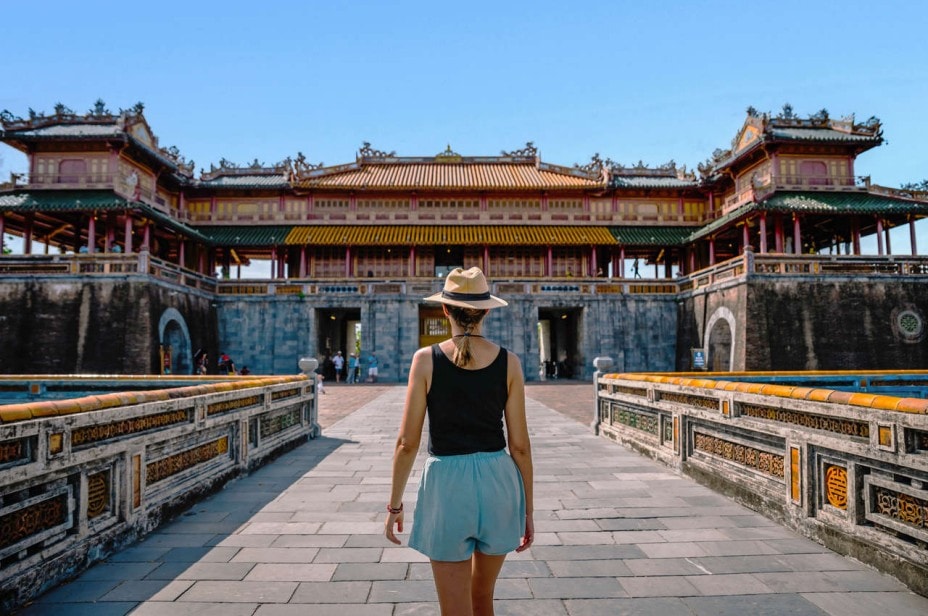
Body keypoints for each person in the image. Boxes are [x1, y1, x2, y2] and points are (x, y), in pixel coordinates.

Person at [385, 266, 534, 615]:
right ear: (486, 311)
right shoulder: (509, 362)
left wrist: (394, 506)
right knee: (483, 599)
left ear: (445, 309)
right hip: (499, 481)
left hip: (447, 484)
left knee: (454, 609)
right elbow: (520, 447)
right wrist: (527, 510)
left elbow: (407, 443)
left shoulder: (426, 360)